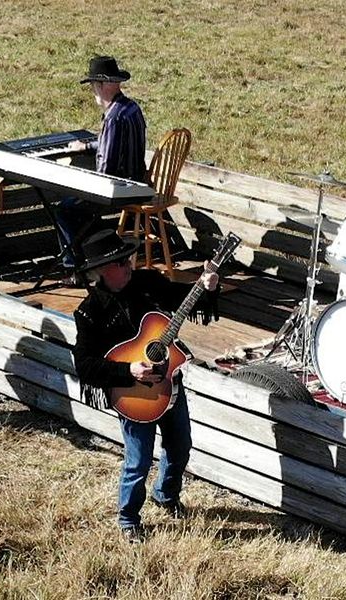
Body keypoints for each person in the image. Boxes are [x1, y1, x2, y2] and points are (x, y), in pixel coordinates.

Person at [70, 229, 218, 543]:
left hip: (170, 385)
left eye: (128, 259)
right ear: (102, 270)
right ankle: (128, 519)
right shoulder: (90, 311)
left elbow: (183, 299)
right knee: (138, 462)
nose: (128, 266)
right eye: (121, 262)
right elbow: (83, 365)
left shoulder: (147, 283)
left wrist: (205, 286)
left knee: (180, 448)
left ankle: (165, 494)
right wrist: (128, 370)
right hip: (132, 395)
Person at [57, 55, 148, 270]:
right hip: (137, 181)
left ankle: (76, 268)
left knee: (65, 210)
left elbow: (106, 170)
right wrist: (87, 147)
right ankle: (99, 255)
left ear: (102, 85)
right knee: (80, 209)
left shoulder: (112, 118)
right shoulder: (131, 108)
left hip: (118, 189)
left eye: (93, 86)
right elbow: (111, 144)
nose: (93, 91)